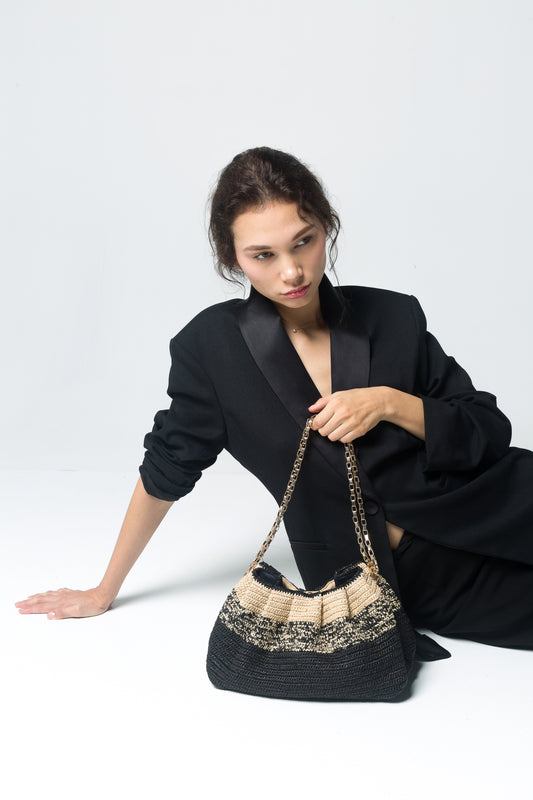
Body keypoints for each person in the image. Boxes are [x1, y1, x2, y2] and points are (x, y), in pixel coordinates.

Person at [15, 146, 533, 655]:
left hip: (503, 501)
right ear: (232, 258)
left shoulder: (393, 316)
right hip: (407, 577)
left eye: (303, 242)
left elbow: (487, 428)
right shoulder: (213, 351)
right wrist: (104, 590)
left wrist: (388, 403)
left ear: (326, 228)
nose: (292, 272)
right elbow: (166, 469)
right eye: (263, 255)